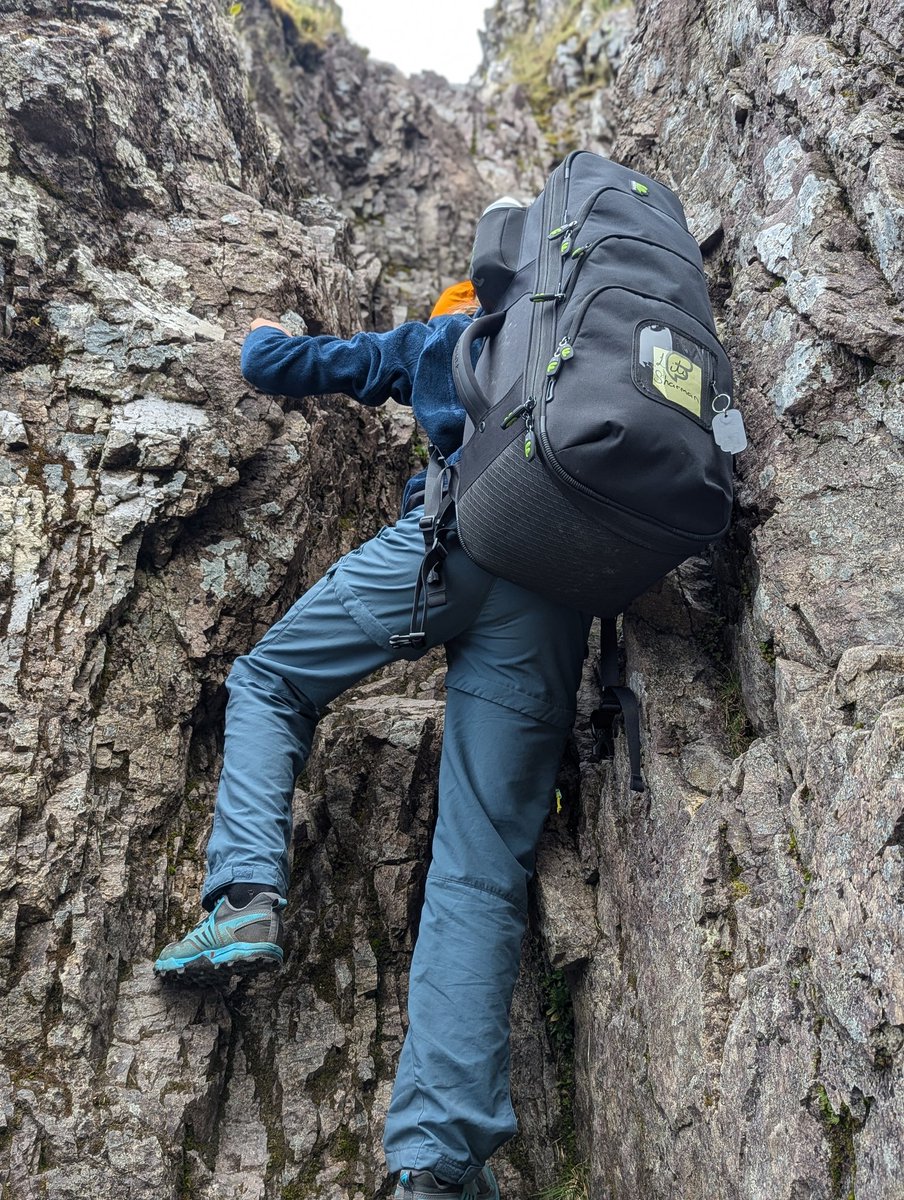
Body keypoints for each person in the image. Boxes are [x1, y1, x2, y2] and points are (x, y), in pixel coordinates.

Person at [154, 287, 591, 1199]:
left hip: (453, 543)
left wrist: (267, 330)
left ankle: (243, 896)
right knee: (481, 867)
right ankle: (434, 1167)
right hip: (552, 598)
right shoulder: (587, 349)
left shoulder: (453, 332)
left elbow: (277, 365)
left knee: (271, 680)